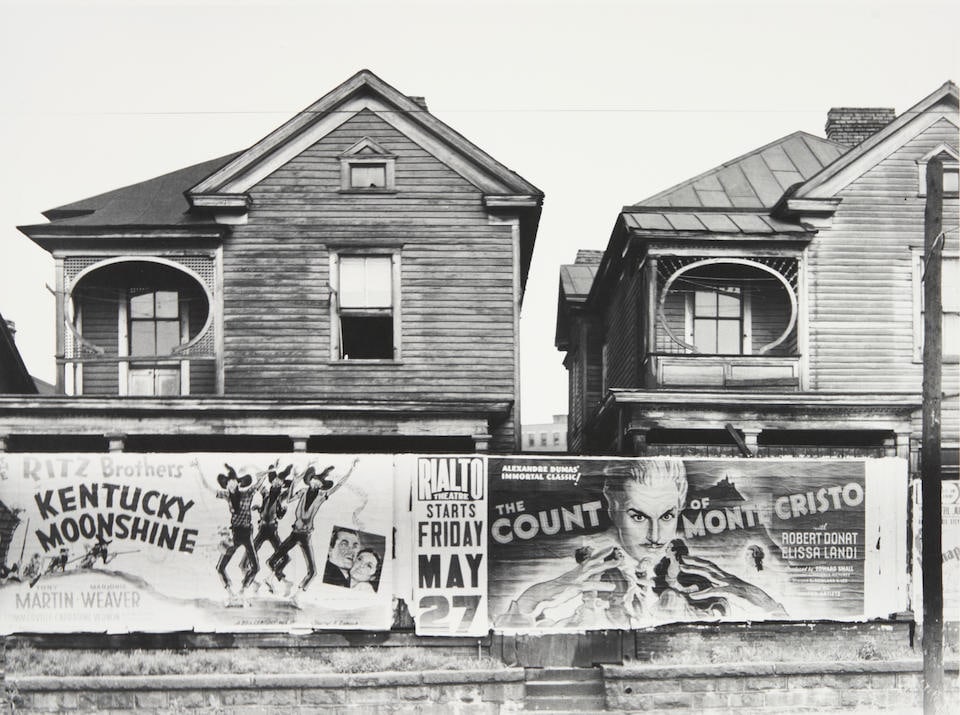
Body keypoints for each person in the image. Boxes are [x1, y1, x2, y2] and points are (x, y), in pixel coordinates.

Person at [496, 459, 785, 627]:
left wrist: (754, 596)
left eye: (668, 515)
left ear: (680, 506)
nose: (656, 535)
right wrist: (539, 595)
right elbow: (509, 632)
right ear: (612, 507)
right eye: (638, 516)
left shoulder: (704, 585)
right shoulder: (585, 587)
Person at [267, 459, 358, 597]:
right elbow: (290, 499)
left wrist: (351, 469)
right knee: (272, 560)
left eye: (318, 482)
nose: (316, 482)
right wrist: (295, 479)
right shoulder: (303, 492)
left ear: (321, 485)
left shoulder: (322, 496)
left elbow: (339, 485)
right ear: (310, 481)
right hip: (294, 533)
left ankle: (296, 595)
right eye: (314, 480)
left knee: (313, 571)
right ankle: (272, 579)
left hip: (305, 536)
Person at [214, 465, 266, 602]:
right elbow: (209, 489)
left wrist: (266, 472)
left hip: (247, 533)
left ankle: (243, 589)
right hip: (235, 534)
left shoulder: (246, 494)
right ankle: (230, 593)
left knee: (255, 567)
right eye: (228, 483)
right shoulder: (226, 496)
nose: (230, 485)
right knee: (220, 567)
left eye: (232, 482)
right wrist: (199, 470)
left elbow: (258, 483)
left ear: (238, 483)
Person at [243, 461, 293, 591]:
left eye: (280, 481)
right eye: (275, 480)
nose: (277, 482)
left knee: (286, 557)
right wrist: (272, 470)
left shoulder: (281, 497)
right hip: (262, 529)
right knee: (248, 558)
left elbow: (293, 487)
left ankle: (276, 578)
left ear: (282, 485)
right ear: (272, 481)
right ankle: (252, 583)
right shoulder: (265, 494)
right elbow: (258, 476)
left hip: (272, 530)